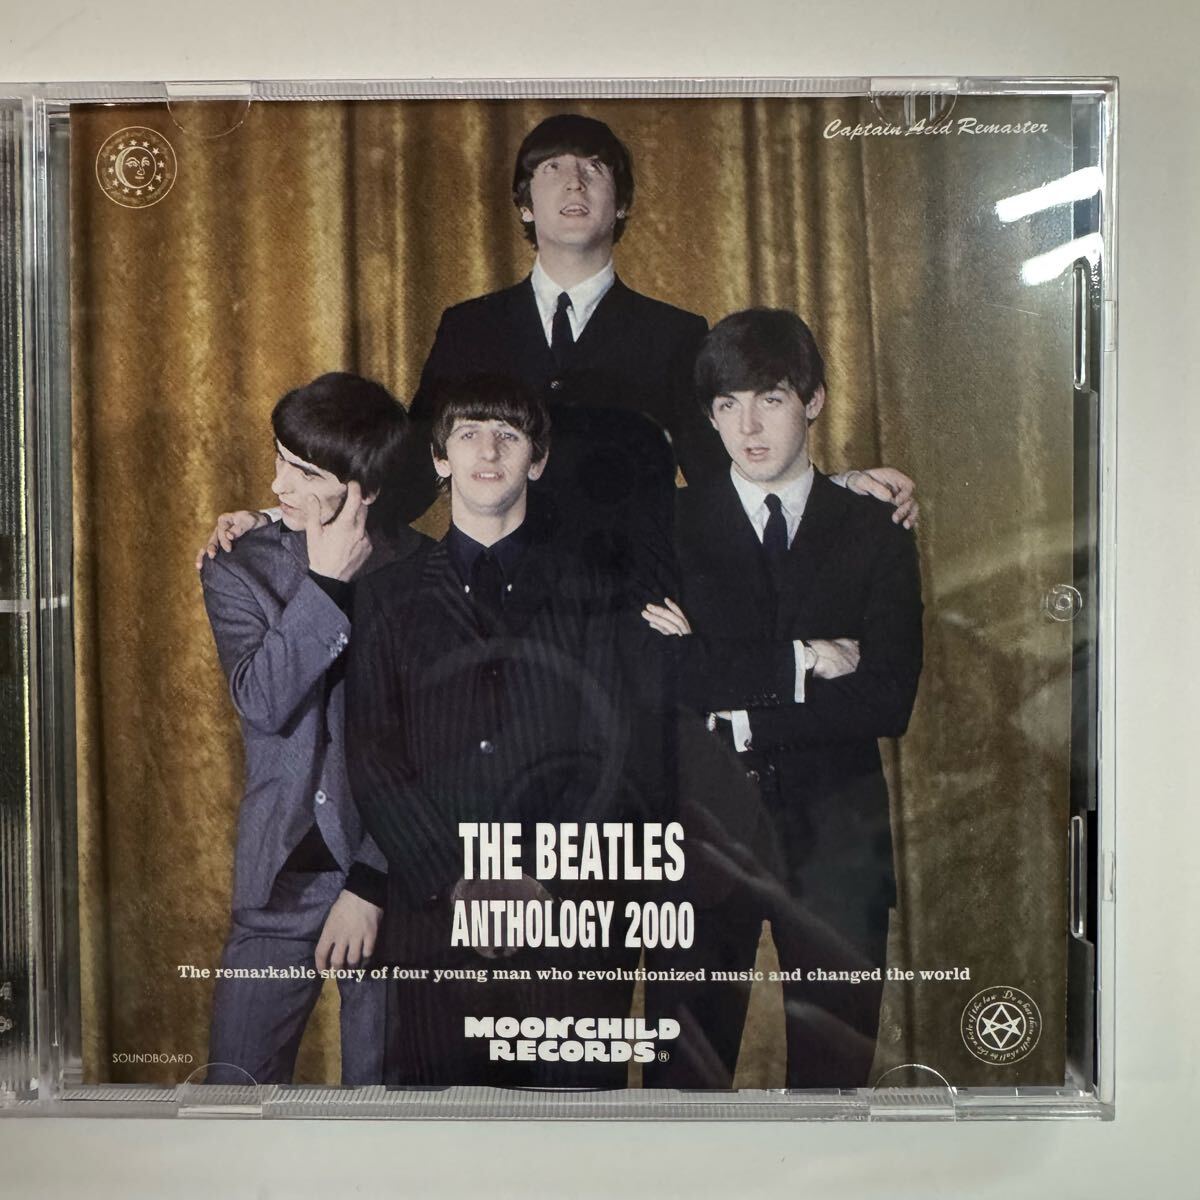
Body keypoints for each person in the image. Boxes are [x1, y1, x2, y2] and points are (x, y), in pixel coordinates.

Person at [195, 113, 917, 581]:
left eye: (594, 168)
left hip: (627, 598)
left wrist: (838, 486)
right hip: (489, 591)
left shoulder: (675, 332)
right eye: (551, 168)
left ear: (621, 202)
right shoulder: (468, 325)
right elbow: (410, 472)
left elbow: (720, 475)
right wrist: (284, 515)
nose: (574, 180)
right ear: (524, 205)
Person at [344, 375, 663, 1088]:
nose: (488, 451)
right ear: (440, 459)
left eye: (509, 436)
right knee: (441, 1137)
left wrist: (537, 876)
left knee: (575, 1132)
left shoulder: (595, 589)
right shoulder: (387, 595)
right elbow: (374, 756)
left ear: (537, 461)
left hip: (570, 921)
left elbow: (614, 750)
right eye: (468, 434)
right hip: (435, 920)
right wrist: (456, 883)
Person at [639, 309, 924, 1090]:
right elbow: (663, 676)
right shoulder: (668, 522)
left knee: (834, 1089)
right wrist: (806, 662)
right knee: (680, 1091)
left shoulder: (875, 527)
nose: (748, 427)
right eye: (727, 405)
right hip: (699, 844)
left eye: (769, 399)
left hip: (837, 846)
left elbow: (887, 698)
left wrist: (733, 703)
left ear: (814, 401)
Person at [200, 372, 424, 1086]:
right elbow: (263, 702)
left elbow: (428, 749)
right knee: (235, 1097)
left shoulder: (422, 570)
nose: (278, 484)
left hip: (388, 877)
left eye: (305, 472)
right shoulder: (239, 565)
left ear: (366, 490)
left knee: (384, 1112)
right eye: (279, 459)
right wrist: (324, 582)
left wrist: (373, 883)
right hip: (280, 875)